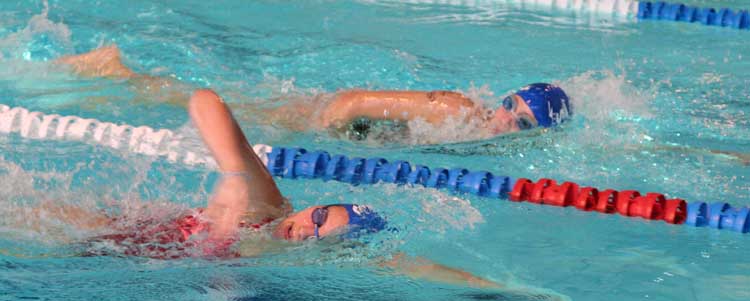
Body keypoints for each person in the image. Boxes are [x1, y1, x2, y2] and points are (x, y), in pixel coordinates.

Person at [28, 88, 533, 294]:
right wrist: (233, 173)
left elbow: (409, 267)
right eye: (319, 216)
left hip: (90, 265)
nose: (307, 229)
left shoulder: (272, 265)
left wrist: (512, 291)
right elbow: (204, 100)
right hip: (77, 230)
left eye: (322, 237)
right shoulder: (266, 209)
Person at [54, 45, 572, 143]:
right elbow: (353, 102)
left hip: (340, 128)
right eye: (511, 106)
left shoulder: (475, 134)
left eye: (523, 122)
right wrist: (333, 132)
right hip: (322, 119)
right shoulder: (455, 110)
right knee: (214, 110)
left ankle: (118, 79)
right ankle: (114, 74)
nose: (507, 120)